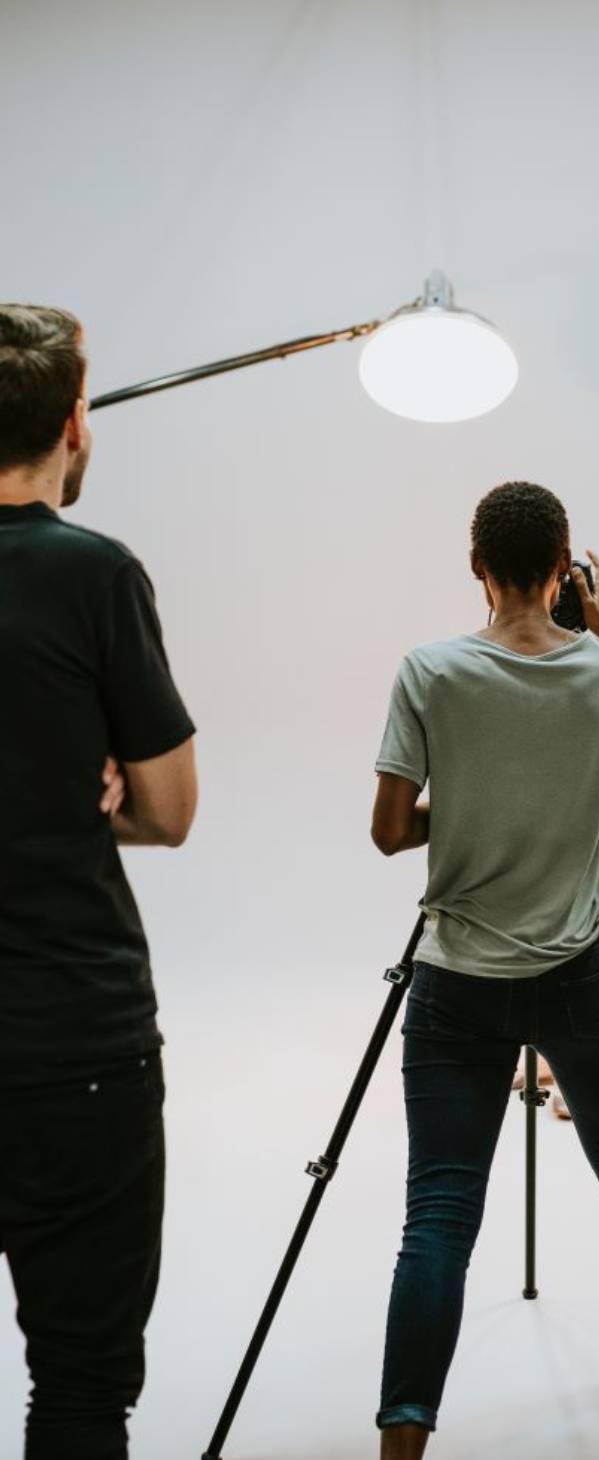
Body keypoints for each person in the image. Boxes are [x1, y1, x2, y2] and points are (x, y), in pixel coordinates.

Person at [369, 481, 599, 1459]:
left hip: (454, 976)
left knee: (438, 1205)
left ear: (475, 566)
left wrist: (468, 809)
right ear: (564, 568)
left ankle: (401, 1441)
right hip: (578, 970)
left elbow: (390, 830)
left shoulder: (427, 670)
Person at [0, 305, 198, 1460]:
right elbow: (169, 809)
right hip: (75, 1047)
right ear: (75, 422)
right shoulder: (96, 575)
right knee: (77, 1389)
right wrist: (87, 796)